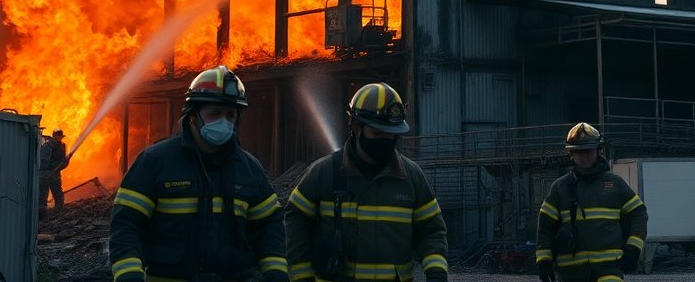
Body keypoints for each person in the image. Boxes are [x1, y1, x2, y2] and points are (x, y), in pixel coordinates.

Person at [109, 66, 288, 282]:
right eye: (214, 113)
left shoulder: (249, 168)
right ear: (192, 115)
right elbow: (127, 222)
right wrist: (128, 274)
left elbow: (269, 225)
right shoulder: (156, 161)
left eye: (230, 115)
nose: (223, 122)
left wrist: (276, 272)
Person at [285, 82, 448, 282]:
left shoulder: (411, 177)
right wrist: (302, 277)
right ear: (355, 126)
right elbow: (295, 223)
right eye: (377, 133)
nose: (385, 140)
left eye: (391, 134)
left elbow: (432, 230)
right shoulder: (324, 173)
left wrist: (436, 273)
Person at [534, 123, 648, 282]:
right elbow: (545, 226)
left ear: (598, 150)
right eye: (579, 152)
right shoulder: (560, 187)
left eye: (588, 151)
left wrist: (634, 248)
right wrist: (543, 259)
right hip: (571, 272)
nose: (584, 156)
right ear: (571, 154)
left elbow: (639, 214)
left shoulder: (614, 183)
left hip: (609, 268)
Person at [38, 128, 69, 218]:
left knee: (58, 193)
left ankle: (59, 212)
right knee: (43, 195)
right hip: (46, 174)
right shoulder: (48, 145)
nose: (59, 138)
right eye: (58, 136)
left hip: (55, 174)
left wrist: (63, 163)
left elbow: (62, 160)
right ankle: (42, 215)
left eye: (60, 136)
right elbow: (44, 160)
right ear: (54, 136)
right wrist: (55, 165)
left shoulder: (62, 145)